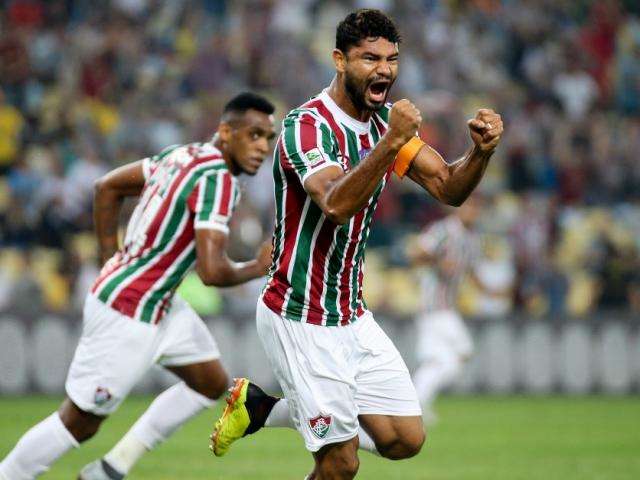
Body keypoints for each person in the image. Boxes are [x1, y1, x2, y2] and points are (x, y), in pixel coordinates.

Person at [211, 9, 503, 480]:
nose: (384, 69)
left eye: (391, 59)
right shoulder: (306, 126)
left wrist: (481, 153)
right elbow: (334, 203)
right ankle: (280, 413)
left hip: (349, 312)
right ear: (340, 60)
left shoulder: (386, 124)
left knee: (405, 438)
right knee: (339, 464)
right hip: (298, 312)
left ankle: (259, 408)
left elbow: (449, 187)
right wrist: (388, 144)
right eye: (370, 58)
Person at [0, 92, 276, 480]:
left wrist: (109, 261)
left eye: (268, 137)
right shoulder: (219, 180)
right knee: (79, 422)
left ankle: (110, 469)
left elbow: (106, 188)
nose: (262, 147)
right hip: (129, 310)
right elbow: (212, 272)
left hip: (159, 303)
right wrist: (257, 266)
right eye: (254, 135)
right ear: (226, 132)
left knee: (209, 382)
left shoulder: (181, 155)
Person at [407, 196, 482, 423]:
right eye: (468, 206)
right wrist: (439, 261)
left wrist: (490, 290)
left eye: (476, 207)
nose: (472, 212)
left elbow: (469, 272)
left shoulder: (473, 240)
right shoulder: (443, 230)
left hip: (446, 306)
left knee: (438, 361)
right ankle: (415, 401)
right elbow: (416, 253)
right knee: (463, 350)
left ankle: (416, 403)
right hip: (434, 306)